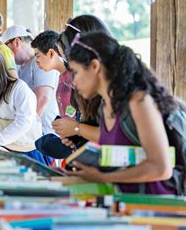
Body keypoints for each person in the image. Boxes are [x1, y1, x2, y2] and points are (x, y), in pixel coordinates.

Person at [66, 31, 178, 195]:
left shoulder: (139, 102)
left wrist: (104, 178)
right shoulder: (106, 108)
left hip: (155, 211)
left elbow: (161, 168)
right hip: (126, 209)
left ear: (95, 66)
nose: (74, 82)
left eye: (75, 72)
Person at [32, 31, 100, 159]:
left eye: (38, 56)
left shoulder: (75, 78)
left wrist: (76, 131)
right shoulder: (61, 77)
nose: (36, 62)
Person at [1, 25, 59, 135]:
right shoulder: (18, 67)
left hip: (42, 133)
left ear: (16, 42)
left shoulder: (39, 63)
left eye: (5, 48)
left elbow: (42, 98)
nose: (4, 54)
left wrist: (24, 129)